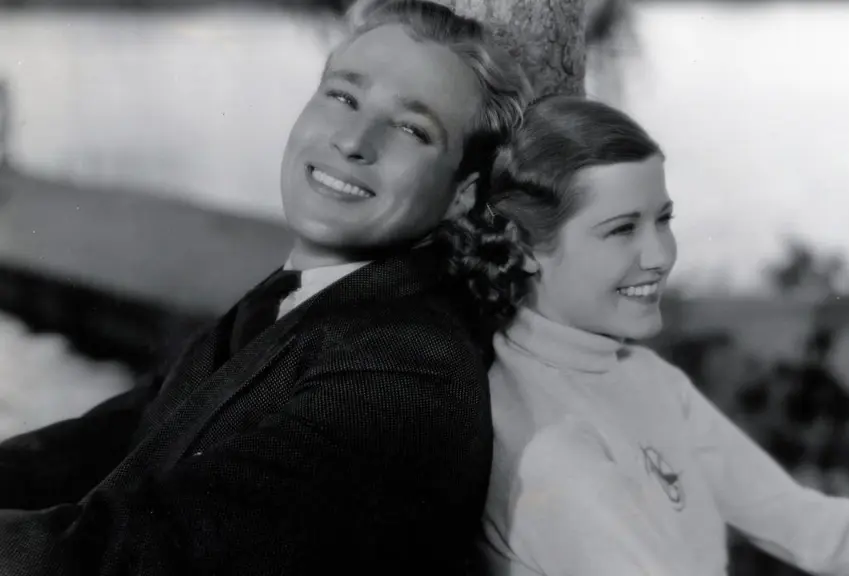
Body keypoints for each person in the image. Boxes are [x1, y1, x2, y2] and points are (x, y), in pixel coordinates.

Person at [0, 1, 532, 573]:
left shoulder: (405, 370)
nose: (354, 140)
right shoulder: (306, 296)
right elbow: (123, 431)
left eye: (411, 128)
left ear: (461, 194)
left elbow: (149, 556)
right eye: (344, 97)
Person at [442, 95, 849, 576]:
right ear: (525, 249)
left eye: (663, 219)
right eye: (622, 229)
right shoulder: (549, 445)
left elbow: (816, 528)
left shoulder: (638, 376)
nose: (660, 255)